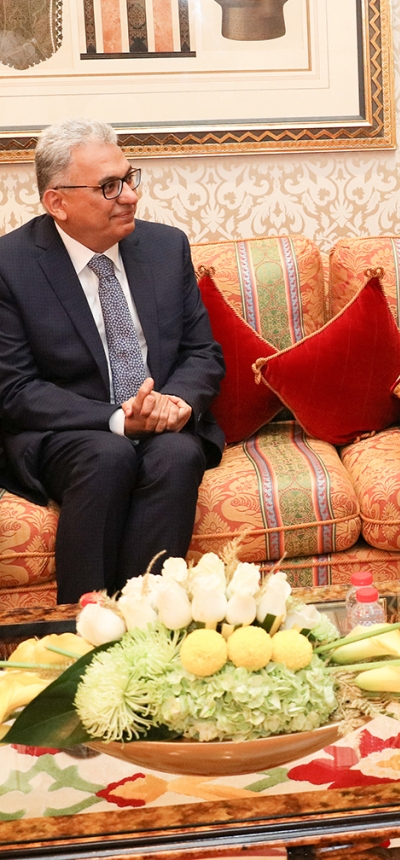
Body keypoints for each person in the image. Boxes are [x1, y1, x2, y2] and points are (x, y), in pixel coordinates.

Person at [0, 119, 225, 603]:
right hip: (66, 431)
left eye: (129, 178)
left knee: (180, 453)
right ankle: (83, 627)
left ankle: (150, 624)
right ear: (57, 202)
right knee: (108, 455)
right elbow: (15, 389)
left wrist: (179, 403)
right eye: (109, 186)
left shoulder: (166, 247)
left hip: (161, 420)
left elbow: (202, 352)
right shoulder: (11, 265)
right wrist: (117, 419)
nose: (130, 196)